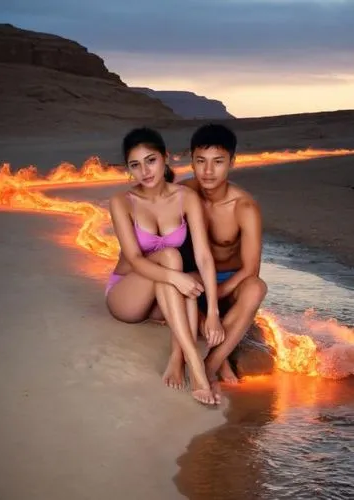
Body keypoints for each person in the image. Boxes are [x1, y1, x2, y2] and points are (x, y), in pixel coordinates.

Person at [106, 127, 224, 405]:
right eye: (135, 165)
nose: (144, 171)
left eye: (151, 160)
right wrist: (176, 277)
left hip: (161, 299)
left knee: (184, 276)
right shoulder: (122, 202)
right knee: (173, 262)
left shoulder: (186, 197)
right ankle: (194, 362)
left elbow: (205, 256)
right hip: (128, 295)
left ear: (165, 158)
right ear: (128, 169)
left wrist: (216, 312)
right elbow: (134, 259)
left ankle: (176, 356)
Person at [179, 123, 268, 384]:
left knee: (257, 288)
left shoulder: (244, 207)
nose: (208, 171)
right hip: (195, 279)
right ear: (191, 161)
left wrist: (215, 295)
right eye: (201, 161)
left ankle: (211, 364)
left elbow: (251, 269)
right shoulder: (183, 194)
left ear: (232, 161)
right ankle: (222, 358)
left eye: (217, 161)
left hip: (229, 281)